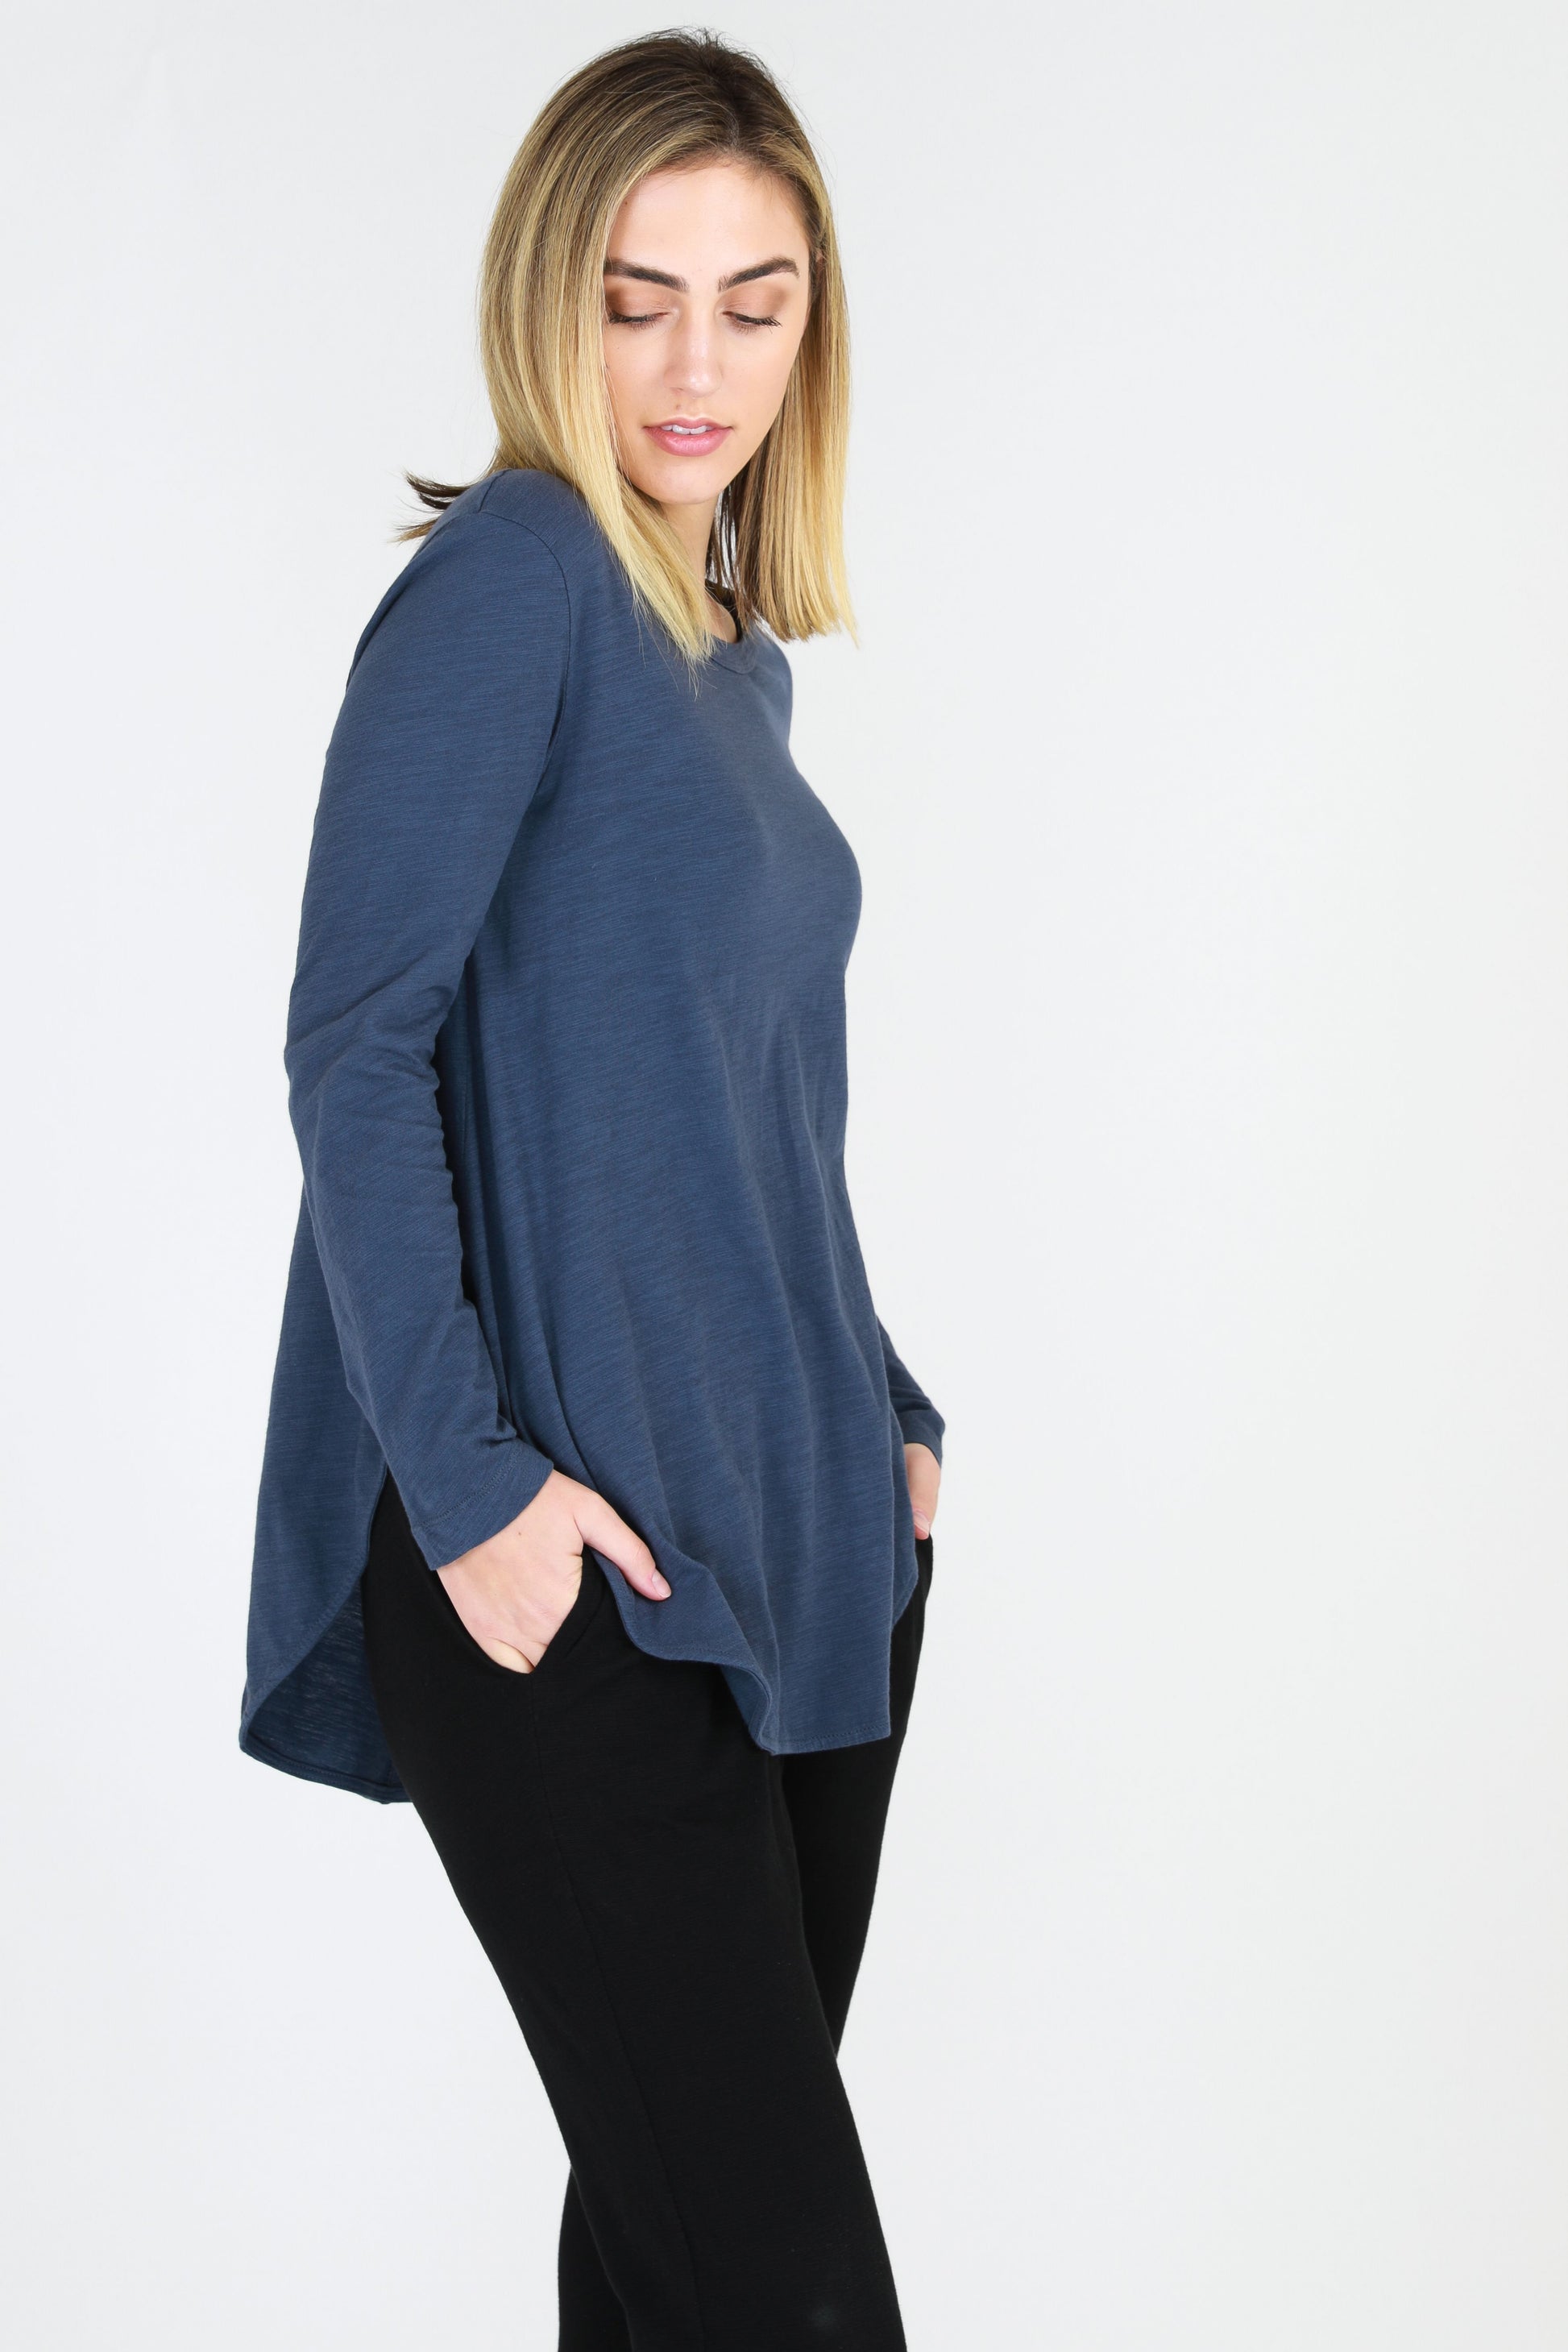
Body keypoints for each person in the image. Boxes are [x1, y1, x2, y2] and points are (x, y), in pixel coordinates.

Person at [241, 29, 944, 2349]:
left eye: (756, 302)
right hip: (575, 1564)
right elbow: (355, 1047)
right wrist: (468, 1492)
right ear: (553, 296)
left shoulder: (727, 661)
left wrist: (888, 1405)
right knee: (786, 2300)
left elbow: (741, 1113)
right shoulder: (520, 576)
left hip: (799, 1537)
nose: (695, 365)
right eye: (640, 299)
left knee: (675, 2279)